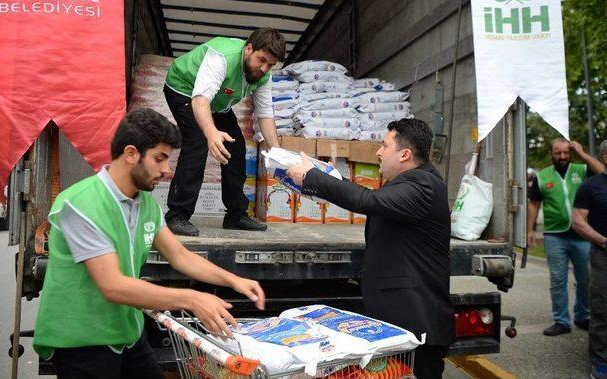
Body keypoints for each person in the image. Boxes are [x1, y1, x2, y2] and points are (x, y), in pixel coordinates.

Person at [33, 108, 265, 379]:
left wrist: (234, 280)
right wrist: (191, 298)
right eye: (159, 159)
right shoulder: (82, 204)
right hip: (82, 341)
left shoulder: (145, 204)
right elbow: (113, 286)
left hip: (125, 331)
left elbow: (179, 255)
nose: (166, 170)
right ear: (131, 154)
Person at [286, 118, 454, 379]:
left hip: (417, 321)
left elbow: (368, 201)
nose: (378, 152)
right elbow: (371, 198)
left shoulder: (423, 186)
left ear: (405, 154)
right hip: (401, 318)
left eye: (384, 146)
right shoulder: (413, 182)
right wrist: (331, 178)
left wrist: (313, 177)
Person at [163, 28, 285, 236]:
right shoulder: (222, 57)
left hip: (217, 103)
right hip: (183, 89)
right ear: (248, 49)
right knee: (198, 141)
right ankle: (177, 214)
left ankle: (236, 215)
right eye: (261, 60)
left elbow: (265, 115)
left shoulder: (264, 76)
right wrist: (211, 134)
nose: (264, 68)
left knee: (236, 147)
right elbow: (200, 99)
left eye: (270, 65)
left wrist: (279, 155)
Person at [527, 139, 605, 336]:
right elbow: (534, 204)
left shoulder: (581, 169)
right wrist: (530, 229)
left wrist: (583, 153)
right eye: (558, 153)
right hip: (555, 236)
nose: (562, 157)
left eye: (565, 153)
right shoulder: (542, 176)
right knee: (558, 280)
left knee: (586, 279)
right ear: (551, 154)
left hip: (583, 235)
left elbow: (602, 172)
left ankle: (583, 316)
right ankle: (561, 320)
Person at [572, 139, 607, 379]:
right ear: (605, 157)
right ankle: (601, 361)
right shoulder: (590, 187)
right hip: (603, 255)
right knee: (602, 309)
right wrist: (604, 241)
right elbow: (577, 221)